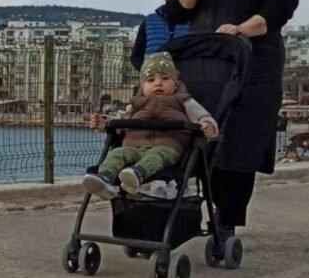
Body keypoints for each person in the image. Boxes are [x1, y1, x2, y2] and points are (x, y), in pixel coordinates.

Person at [165, 0, 299, 237]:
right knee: (197, 138)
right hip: (203, 66)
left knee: (239, 144)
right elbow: (174, 13)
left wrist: (241, 29)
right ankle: (186, 212)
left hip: (252, 66)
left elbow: (278, 10)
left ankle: (226, 221)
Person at [82, 52, 218, 200]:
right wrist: (103, 123)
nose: (158, 83)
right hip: (133, 147)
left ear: (175, 84)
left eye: (165, 79)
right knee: (117, 154)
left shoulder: (183, 101)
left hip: (167, 147)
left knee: (156, 156)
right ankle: (105, 177)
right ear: (143, 86)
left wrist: (207, 125)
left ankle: (137, 173)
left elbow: (202, 116)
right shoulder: (136, 104)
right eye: (151, 80)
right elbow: (120, 121)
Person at [130, 0, 190, 71]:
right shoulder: (150, 22)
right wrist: (148, 72)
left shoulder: (197, 18)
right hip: (157, 79)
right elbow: (136, 56)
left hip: (189, 78)